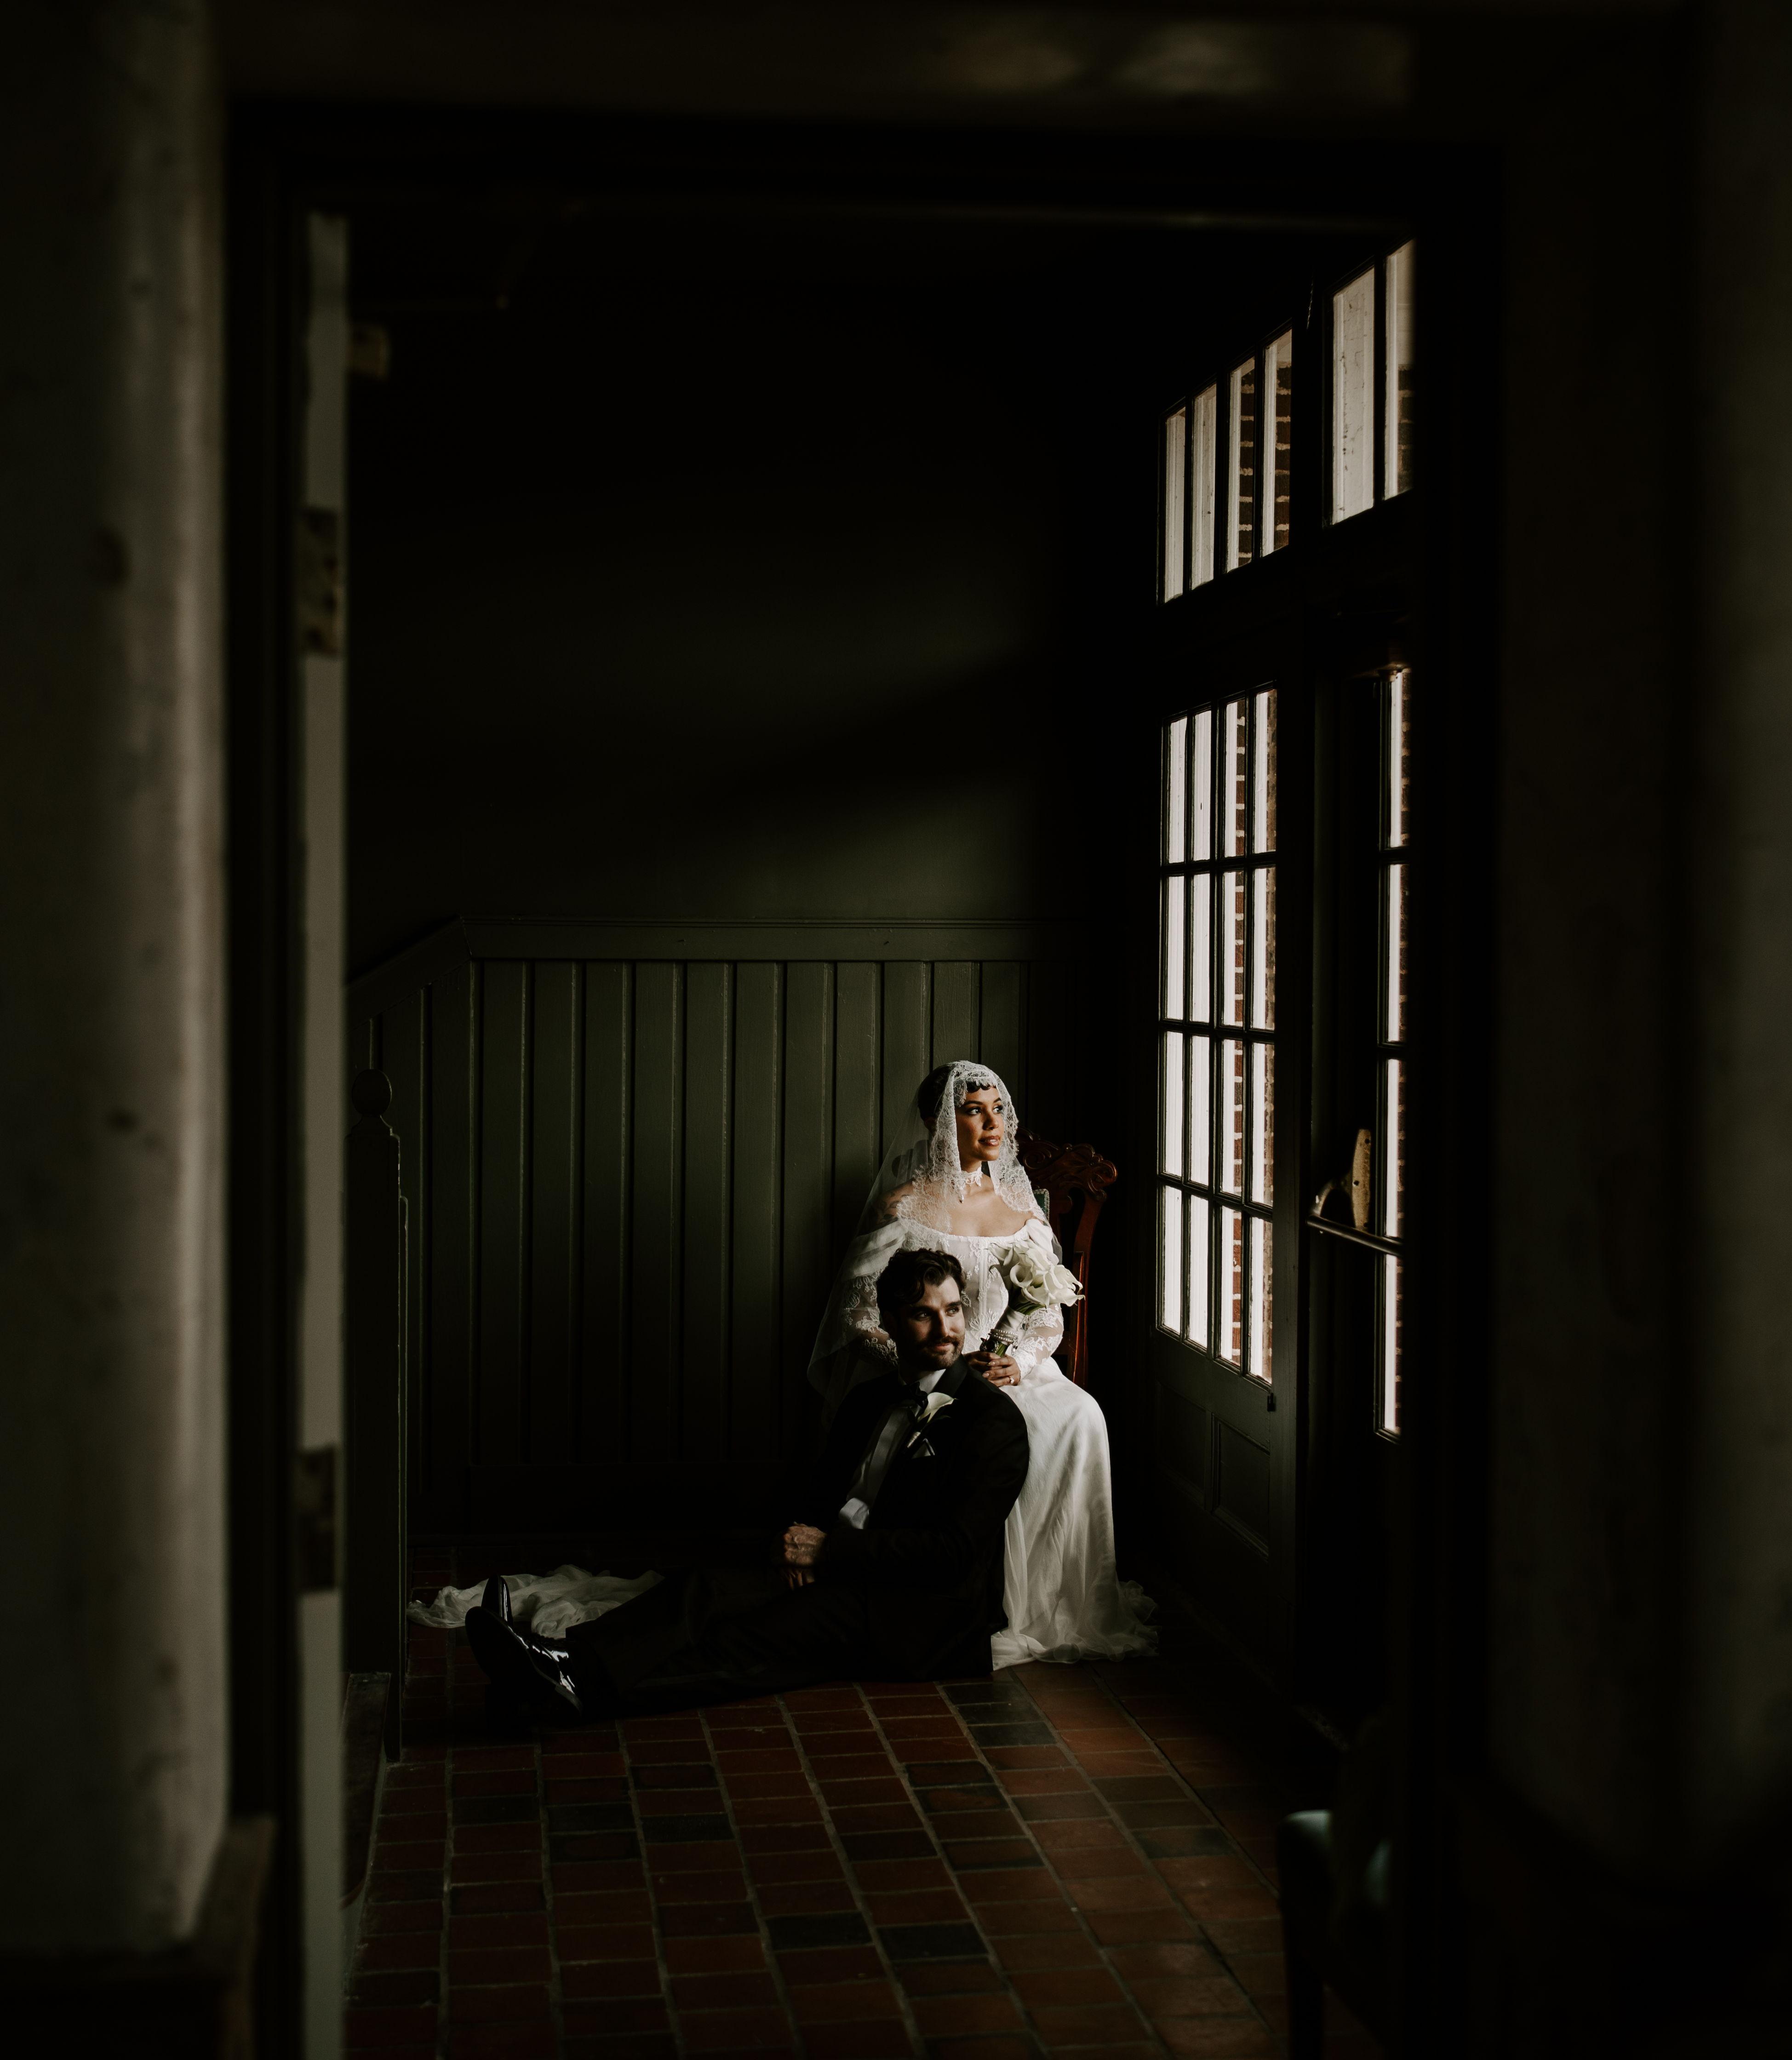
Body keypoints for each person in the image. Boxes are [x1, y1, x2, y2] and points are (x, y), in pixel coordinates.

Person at [464, 1247, 1029, 1719]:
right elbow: (817, 1490)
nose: (946, 1329)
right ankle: (561, 1662)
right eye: (923, 1314)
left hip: (913, 1609)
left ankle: (552, 1687)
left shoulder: (991, 1421)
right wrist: (797, 1542)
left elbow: (954, 1554)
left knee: (747, 1641)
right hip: (834, 1566)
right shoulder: (868, 1399)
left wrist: (827, 1551)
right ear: (890, 1322)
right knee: (704, 1588)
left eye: (953, 1310)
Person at [809, 1059, 1155, 1667]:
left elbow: (1048, 1310)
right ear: (937, 1123)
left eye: (998, 1110)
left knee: (1080, 1415)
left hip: (1010, 1367)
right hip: (929, 1367)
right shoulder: (904, 1205)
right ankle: (981, 1601)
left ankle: (1056, 1600)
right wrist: (928, 1362)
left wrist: (1017, 1359)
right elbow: (858, 1315)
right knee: (979, 1428)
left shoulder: (1020, 1205)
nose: (993, 1124)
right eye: (974, 1111)